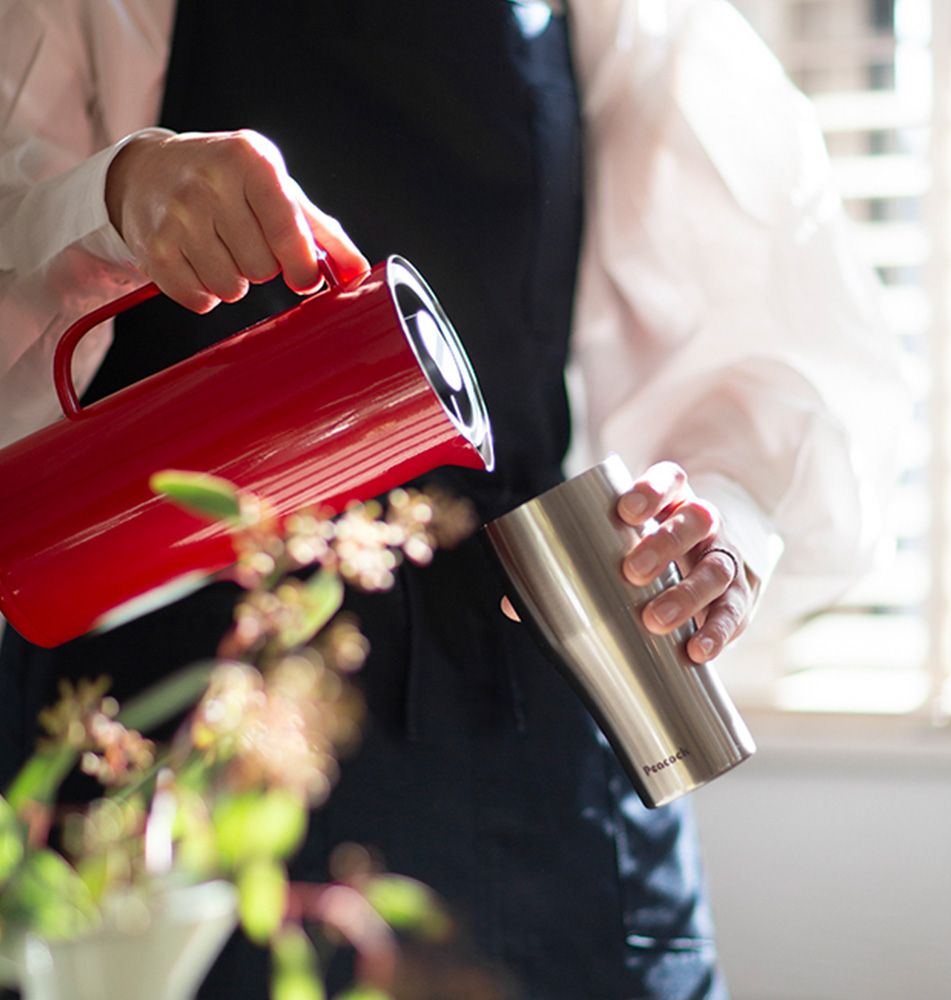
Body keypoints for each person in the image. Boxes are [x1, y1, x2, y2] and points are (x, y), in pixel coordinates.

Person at [0, 1, 904, 997]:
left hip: (532, 704)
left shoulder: (624, 18)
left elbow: (766, 348)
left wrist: (711, 524)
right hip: (176, 713)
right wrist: (117, 191)